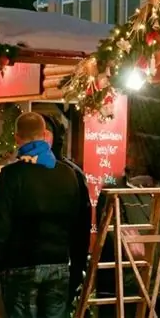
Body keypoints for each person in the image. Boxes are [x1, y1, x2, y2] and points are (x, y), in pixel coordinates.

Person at [0, 113, 84, 318]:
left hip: (20, 265)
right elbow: (80, 224)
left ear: (16, 138)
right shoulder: (68, 174)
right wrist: (76, 267)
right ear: (45, 135)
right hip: (58, 264)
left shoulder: (12, 175)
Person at [44, 116, 91, 303]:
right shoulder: (20, 170)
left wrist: (77, 267)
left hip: (61, 263)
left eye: (45, 134)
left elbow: (82, 224)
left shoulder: (72, 173)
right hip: (25, 267)